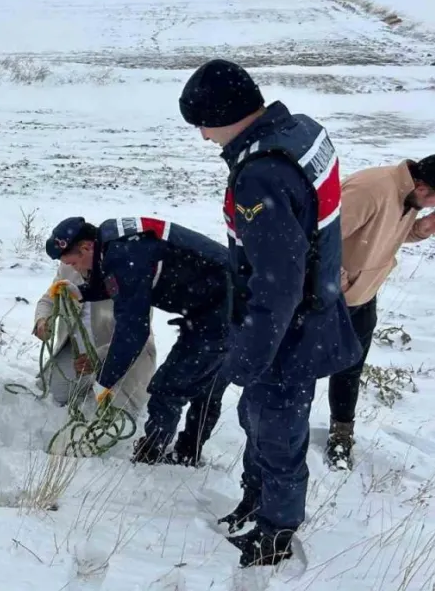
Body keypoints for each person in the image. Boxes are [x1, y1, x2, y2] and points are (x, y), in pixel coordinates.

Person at [178, 58, 362, 567]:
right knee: (256, 417)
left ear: (224, 114)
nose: (203, 137)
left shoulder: (259, 175)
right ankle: (255, 499)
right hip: (313, 308)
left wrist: (248, 356)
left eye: (203, 124)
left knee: (277, 429)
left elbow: (277, 284)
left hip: (288, 331)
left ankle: (276, 533)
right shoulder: (303, 132)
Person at [42, 215, 231, 467]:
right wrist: (84, 291)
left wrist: (104, 381)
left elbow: (132, 332)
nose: (76, 270)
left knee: (169, 387)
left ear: (86, 247)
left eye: (74, 263)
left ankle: (152, 458)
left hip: (226, 308)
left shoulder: (122, 256)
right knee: (204, 380)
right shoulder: (111, 239)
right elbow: (117, 280)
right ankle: (187, 453)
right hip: (224, 299)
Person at [328, 155, 435, 469]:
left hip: (364, 296)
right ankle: (284, 438)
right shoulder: (372, 189)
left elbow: (387, 236)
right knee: (301, 369)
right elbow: (318, 236)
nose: (428, 207)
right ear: (422, 186)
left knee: (350, 369)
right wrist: (340, 282)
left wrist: (423, 229)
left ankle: (340, 435)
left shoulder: (408, 195)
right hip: (330, 299)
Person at [31, 255, 155, 423]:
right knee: (54, 395)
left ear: (86, 249)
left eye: (73, 261)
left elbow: (135, 334)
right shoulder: (68, 266)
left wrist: (97, 357)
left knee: (115, 420)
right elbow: (49, 298)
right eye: (66, 261)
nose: (69, 265)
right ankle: (87, 385)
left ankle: (104, 387)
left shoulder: (127, 272)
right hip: (77, 354)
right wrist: (42, 320)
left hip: (121, 357)